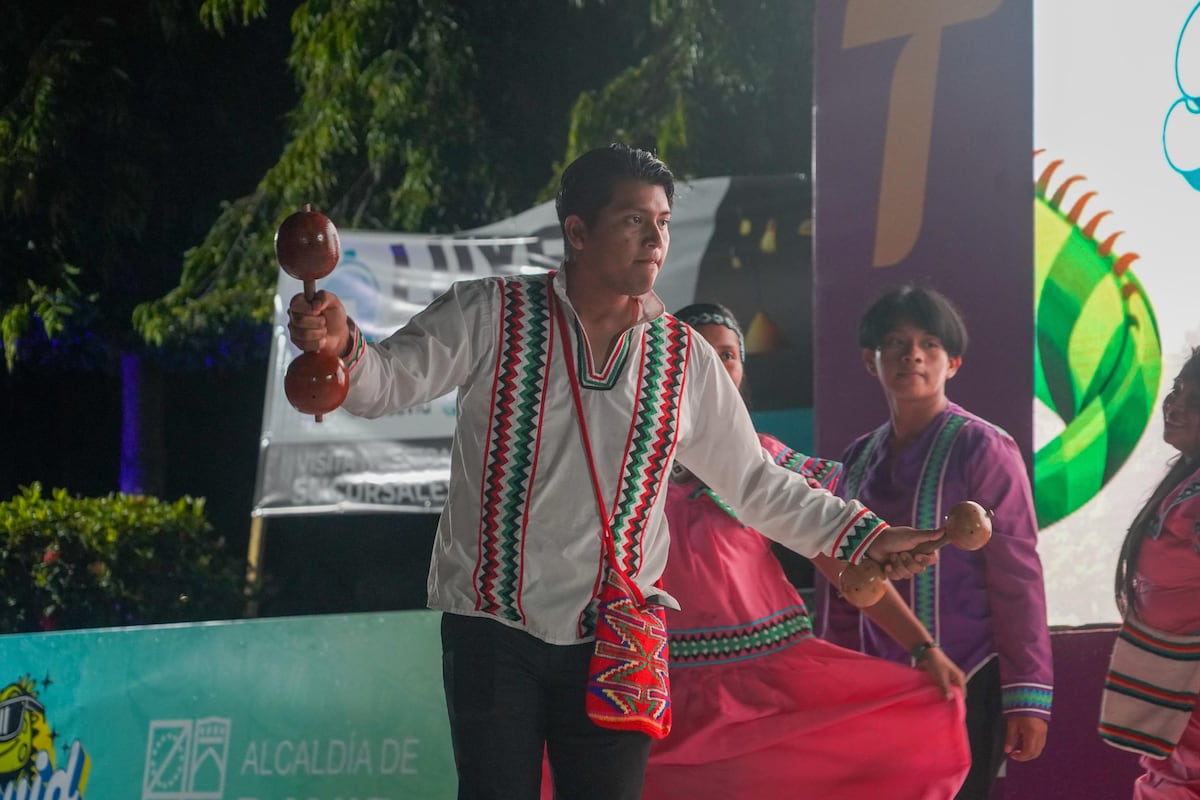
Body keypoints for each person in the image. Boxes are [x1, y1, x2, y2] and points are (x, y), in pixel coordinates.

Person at [287, 144, 940, 800]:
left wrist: (865, 535)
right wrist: (341, 345)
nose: (655, 238)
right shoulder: (492, 312)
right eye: (633, 220)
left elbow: (754, 483)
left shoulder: (684, 357)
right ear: (577, 232)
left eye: (662, 222)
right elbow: (384, 385)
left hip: (619, 634)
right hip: (492, 625)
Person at [632, 302, 971, 800]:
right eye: (700, 353)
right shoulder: (629, 463)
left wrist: (922, 647)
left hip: (770, 687)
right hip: (659, 685)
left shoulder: (765, 461)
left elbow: (841, 564)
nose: (716, 366)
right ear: (666, 360)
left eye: (728, 355)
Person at [813, 285, 1053, 800]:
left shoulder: (984, 447)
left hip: (969, 678)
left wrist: (1027, 698)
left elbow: (1019, 577)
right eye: (895, 342)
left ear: (954, 362)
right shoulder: (855, 461)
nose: (912, 354)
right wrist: (831, 681)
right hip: (875, 687)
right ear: (869, 359)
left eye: (929, 344)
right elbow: (841, 586)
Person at [1100, 347, 1200, 799]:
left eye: (1196, 400)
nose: (1177, 405)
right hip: (1176, 693)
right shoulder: (1186, 481)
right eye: (1178, 390)